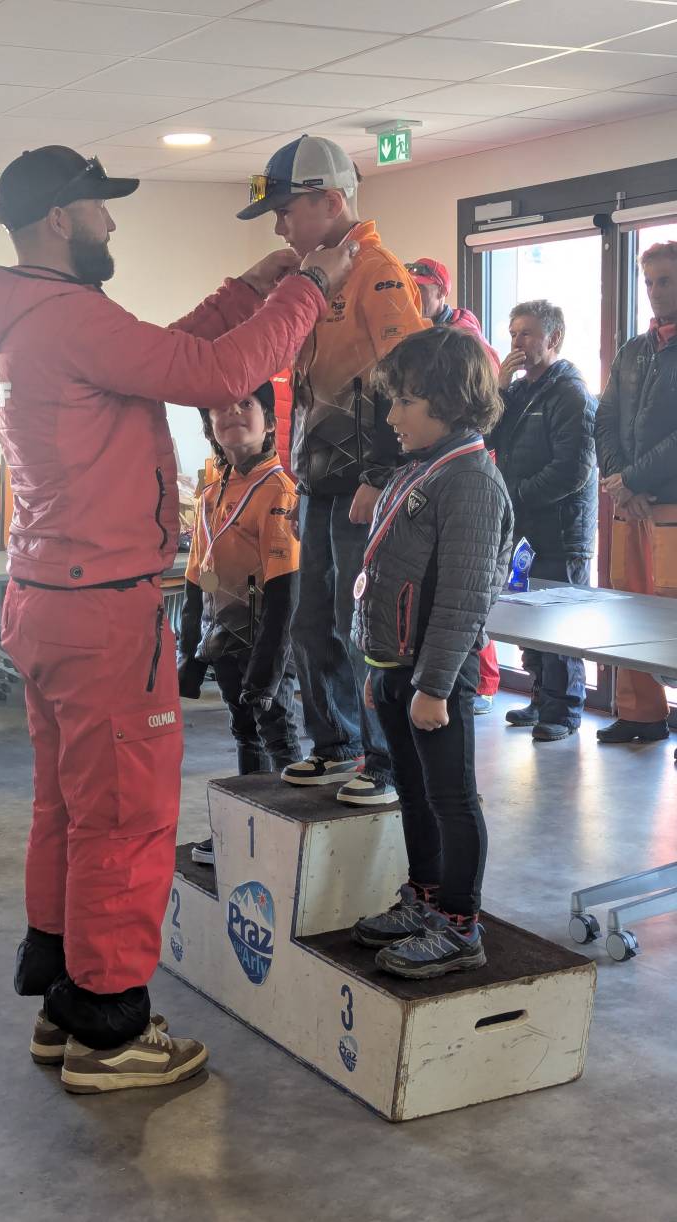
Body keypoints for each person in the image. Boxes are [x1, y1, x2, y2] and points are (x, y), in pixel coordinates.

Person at [0, 145, 358, 1094]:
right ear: (60, 217)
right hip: (104, 614)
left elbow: (167, 354)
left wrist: (253, 282)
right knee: (128, 821)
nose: (112, 223)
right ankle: (110, 1031)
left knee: (68, 809)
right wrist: (305, 286)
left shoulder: (31, 319)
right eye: (100, 208)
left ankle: (66, 1002)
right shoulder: (66, 318)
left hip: (50, 601)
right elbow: (220, 369)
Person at [237, 134, 428, 807]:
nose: (281, 226)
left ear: (329, 198)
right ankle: (337, 744)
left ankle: (385, 760)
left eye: (288, 210)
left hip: (365, 488)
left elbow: (408, 384)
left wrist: (381, 475)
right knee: (309, 620)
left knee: (365, 627)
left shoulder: (377, 270)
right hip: (315, 483)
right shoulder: (314, 276)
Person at [350, 327, 513, 978]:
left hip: (437, 674)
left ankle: (458, 923)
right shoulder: (417, 467)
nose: (392, 417)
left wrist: (435, 685)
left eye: (406, 402)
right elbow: (387, 573)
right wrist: (376, 669)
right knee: (413, 794)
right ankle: (423, 897)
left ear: (449, 400)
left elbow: (465, 599)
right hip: (398, 671)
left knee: (451, 799)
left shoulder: (471, 481)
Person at [178, 382, 301, 865]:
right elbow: (195, 576)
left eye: (246, 405)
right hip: (221, 637)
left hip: (265, 642)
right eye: (219, 408)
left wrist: (268, 670)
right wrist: (188, 655)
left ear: (270, 421)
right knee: (243, 733)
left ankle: (290, 835)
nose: (231, 413)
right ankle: (242, 829)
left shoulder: (279, 490)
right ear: (209, 425)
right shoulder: (212, 484)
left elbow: (285, 591)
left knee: (278, 735)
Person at [490, 300, 598, 742]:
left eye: (528, 333)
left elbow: (573, 470)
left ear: (553, 339)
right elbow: (487, 436)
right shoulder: (517, 392)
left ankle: (565, 710)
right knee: (528, 617)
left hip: (559, 530)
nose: (517, 341)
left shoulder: (570, 392)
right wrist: (498, 387)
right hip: (523, 531)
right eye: (514, 333)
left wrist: (516, 498)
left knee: (559, 622)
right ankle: (540, 698)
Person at [407, 256, 501, 715]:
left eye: (423, 287)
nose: (415, 294)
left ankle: (480, 684)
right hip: (433, 468)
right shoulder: (418, 338)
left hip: (464, 468)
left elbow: (483, 407)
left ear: (442, 293)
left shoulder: (465, 344)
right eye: (410, 286)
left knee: (464, 588)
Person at [595, 240, 677, 746]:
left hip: (670, 503)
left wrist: (634, 480)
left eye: (664, 280)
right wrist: (617, 481)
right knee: (631, 609)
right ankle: (640, 714)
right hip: (629, 509)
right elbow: (604, 420)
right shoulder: (631, 350)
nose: (654, 291)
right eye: (648, 282)